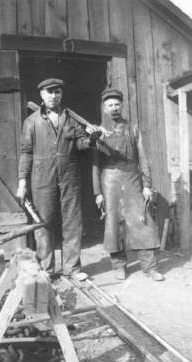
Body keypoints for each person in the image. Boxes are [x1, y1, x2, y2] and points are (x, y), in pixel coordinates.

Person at [16, 78, 100, 281]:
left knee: (72, 222)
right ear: (42, 95)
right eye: (49, 92)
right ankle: (47, 268)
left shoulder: (70, 118)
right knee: (43, 223)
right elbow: (26, 152)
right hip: (42, 179)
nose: (54, 95)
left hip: (69, 177)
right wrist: (22, 182)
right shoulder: (32, 121)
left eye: (57, 92)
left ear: (61, 94)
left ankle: (72, 268)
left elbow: (80, 144)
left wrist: (91, 139)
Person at [92, 88, 165, 281]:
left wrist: (147, 185)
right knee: (113, 224)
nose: (114, 108)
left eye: (117, 104)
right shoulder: (98, 131)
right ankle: (118, 266)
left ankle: (150, 267)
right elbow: (95, 165)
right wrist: (97, 192)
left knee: (142, 220)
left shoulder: (132, 128)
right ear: (104, 107)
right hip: (109, 181)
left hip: (132, 179)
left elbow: (143, 157)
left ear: (122, 106)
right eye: (110, 105)